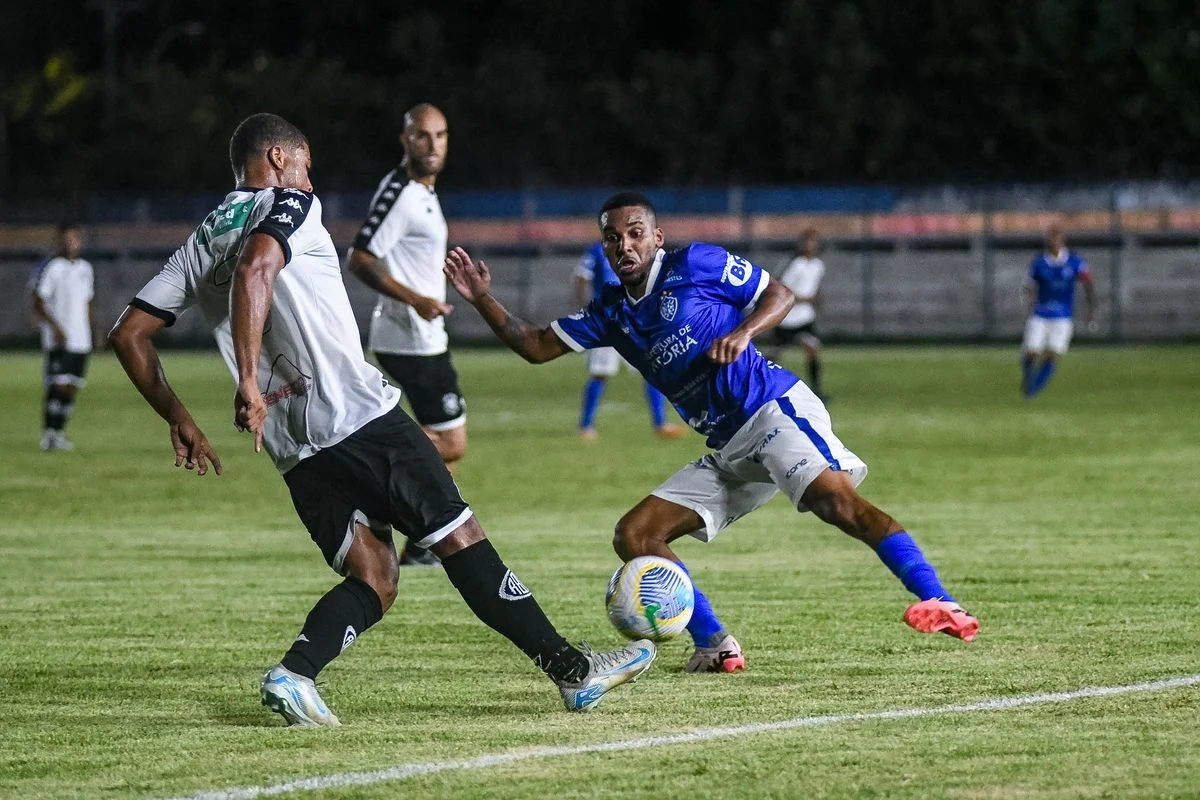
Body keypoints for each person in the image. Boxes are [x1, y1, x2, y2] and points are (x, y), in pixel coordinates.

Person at [107, 113, 655, 727]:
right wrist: (243, 380)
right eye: (308, 164)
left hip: (294, 446)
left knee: (377, 575)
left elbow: (129, 334)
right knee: (460, 539)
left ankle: (295, 675)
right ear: (286, 158)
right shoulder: (290, 203)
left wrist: (177, 416)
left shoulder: (201, 239)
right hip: (358, 416)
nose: (310, 177)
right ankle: (575, 674)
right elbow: (257, 267)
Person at [444, 191, 979, 673]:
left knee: (835, 502)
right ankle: (715, 644)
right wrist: (482, 299)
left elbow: (781, 294)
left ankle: (940, 599)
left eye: (635, 233)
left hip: (771, 410)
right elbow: (536, 346)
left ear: (656, 238)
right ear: (605, 248)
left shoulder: (696, 263)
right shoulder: (610, 311)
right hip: (728, 447)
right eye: (612, 238)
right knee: (635, 536)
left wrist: (745, 332)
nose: (624, 245)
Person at [345, 103, 462, 566]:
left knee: (443, 445)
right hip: (410, 338)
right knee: (452, 443)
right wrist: (417, 300)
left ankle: (421, 544)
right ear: (405, 140)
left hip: (420, 334)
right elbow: (361, 257)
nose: (432, 145)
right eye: (422, 136)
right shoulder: (402, 192)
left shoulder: (421, 191)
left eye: (441, 135)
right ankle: (364, 450)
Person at [574, 241, 685, 440]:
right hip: (607, 321)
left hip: (634, 320)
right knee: (600, 373)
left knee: (652, 369)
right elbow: (582, 277)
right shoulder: (597, 251)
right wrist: (587, 307)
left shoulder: (636, 249)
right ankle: (586, 426)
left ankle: (660, 424)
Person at [31, 221, 94, 451]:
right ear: (60, 241)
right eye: (67, 239)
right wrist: (55, 327)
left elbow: (88, 301)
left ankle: (59, 434)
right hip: (59, 339)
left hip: (81, 339)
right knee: (58, 384)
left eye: (75, 239)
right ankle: (49, 433)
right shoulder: (53, 268)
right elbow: (38, 301)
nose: (71, 243)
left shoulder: (86, 268)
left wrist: (93, 330)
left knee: (71, 386)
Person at [1021, 225, 1098, 398]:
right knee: (1032, 351)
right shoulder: (1039, 262)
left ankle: (1033, 389)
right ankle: (1028, 376)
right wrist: (1029, 302)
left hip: (1062, 315)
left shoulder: (1074, 261)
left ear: (1062, 241)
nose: (1053, 242)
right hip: (1040, 313)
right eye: (1050, 238)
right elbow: (1029, 285)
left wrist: (1093, 307)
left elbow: (1087, 283)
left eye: (1056, 238)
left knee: (1053, 353)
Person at [770, 228, 827, 401]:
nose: (809, 245)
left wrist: (814, 299)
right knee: (775, 354)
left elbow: (812, 288)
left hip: (805, 318)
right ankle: (756, 381)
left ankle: (817, 390)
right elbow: (783, 289)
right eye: (806, 242)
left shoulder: (818, 265)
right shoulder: (795, 264)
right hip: (787, 318)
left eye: (813, 242)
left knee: (813, 349)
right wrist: (806, 299)